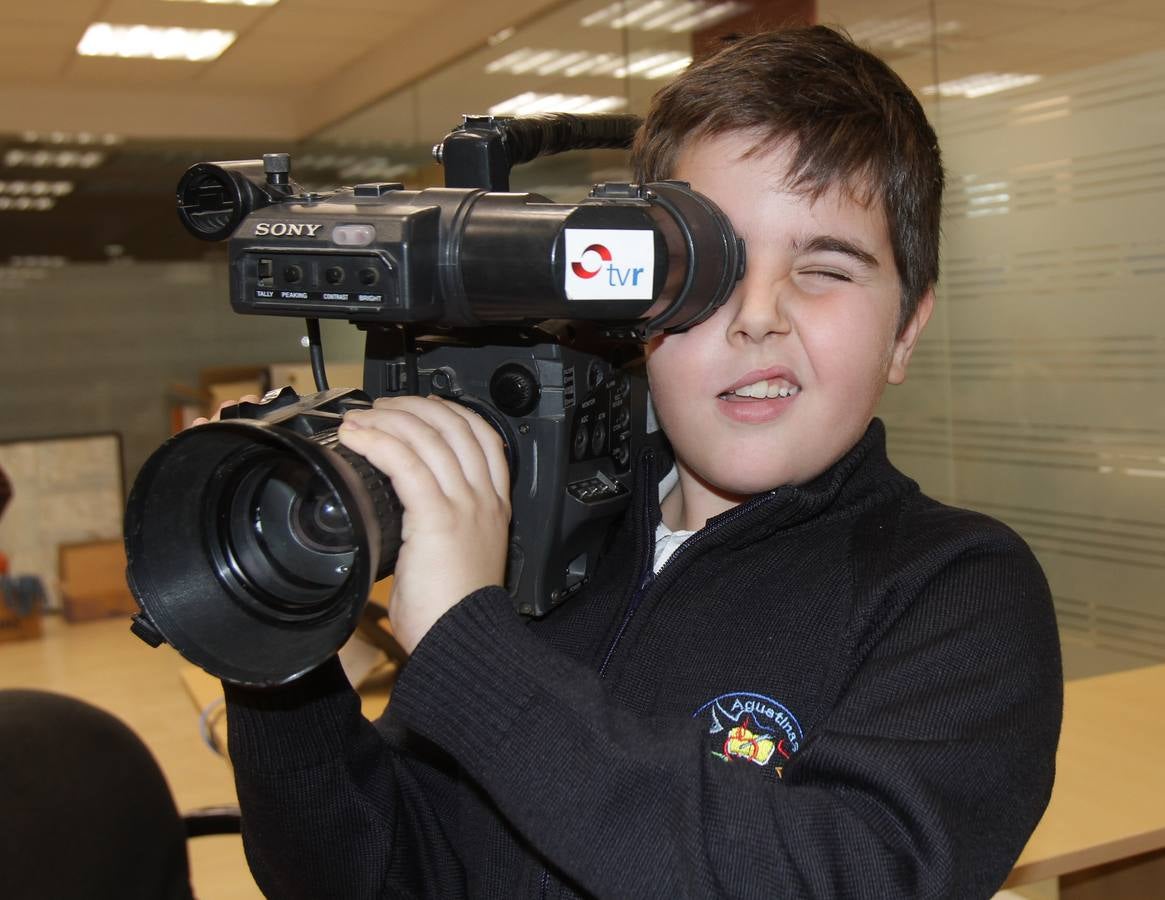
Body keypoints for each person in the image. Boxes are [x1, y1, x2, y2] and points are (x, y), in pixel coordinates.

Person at [222, 26, 1062, 899]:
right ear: (633, 303)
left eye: (824, 268)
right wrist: (273, 633)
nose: (757, 316)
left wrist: (469, 651)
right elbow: (369, 873)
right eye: (706, 267)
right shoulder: (539, 539)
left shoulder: (953, 590)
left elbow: (838, 878)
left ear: (906, 332)